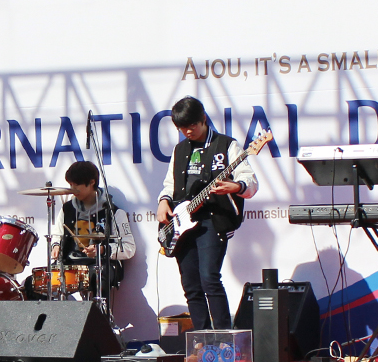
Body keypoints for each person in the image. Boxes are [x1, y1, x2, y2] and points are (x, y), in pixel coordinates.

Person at [157, 96, 258, 331]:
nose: (187, 131)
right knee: (191, 285)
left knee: (209, 278)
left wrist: (237, 186)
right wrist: (163, 201)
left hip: (213, 221)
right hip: (182, 222)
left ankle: (223, 337)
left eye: (192, 125)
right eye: (182, 128)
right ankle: (201, 339)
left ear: (203, 119)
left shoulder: (227, 145)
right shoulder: (180, 149)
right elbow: (170, 184)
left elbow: (250, 181)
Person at [45, 161, 135, 299]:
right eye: (70, 185)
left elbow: (129, 248)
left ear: (92, 182)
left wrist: (102, 250)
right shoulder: (67, 209)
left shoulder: (114, 212)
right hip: (70, 264)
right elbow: (57, 234)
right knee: (35, 283)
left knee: (98, 277)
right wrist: (56, 245)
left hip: (100, 265)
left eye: (76, 185)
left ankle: (97, 312)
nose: (72, 189)